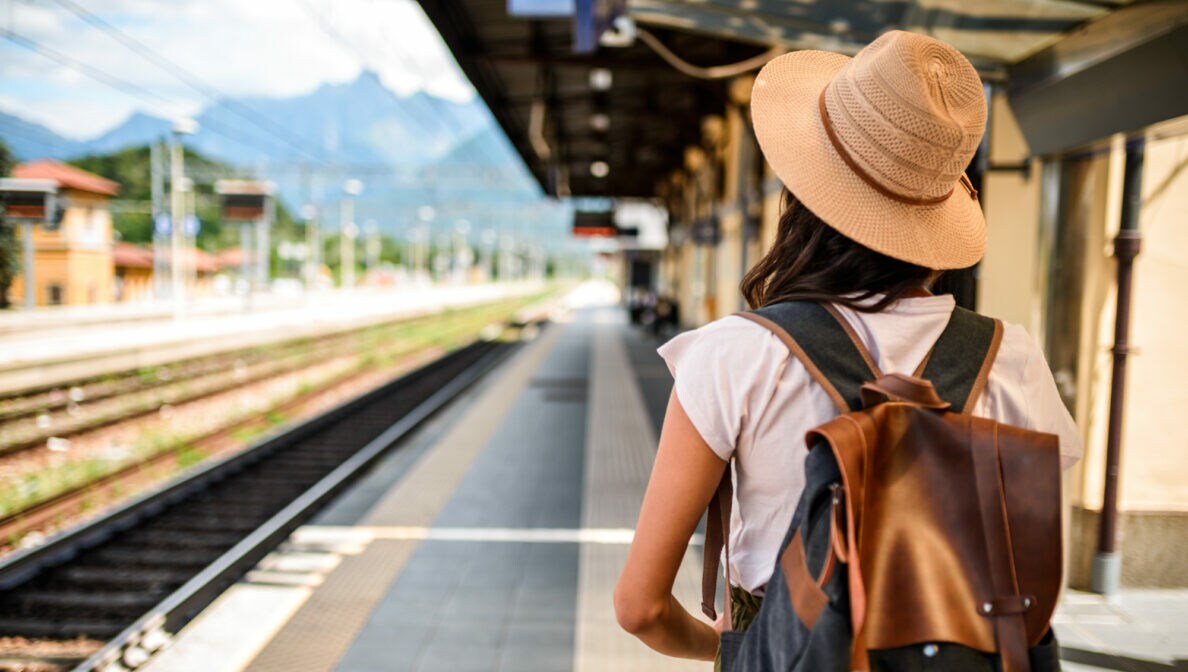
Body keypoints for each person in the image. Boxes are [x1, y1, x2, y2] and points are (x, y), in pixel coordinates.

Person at [613, 30, 1083, 664]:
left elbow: (640, 606)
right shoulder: (1011, 359)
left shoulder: (736, 355)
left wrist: (732, 650)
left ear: (803, 201)